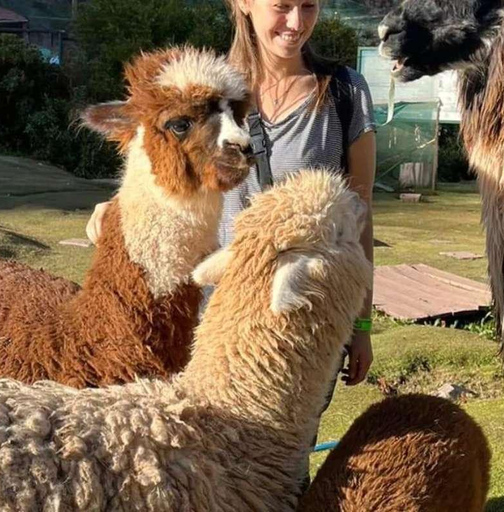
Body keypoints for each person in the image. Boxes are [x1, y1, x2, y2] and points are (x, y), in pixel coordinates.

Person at [86, 0, 376, 438]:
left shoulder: (343, 92)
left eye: (309, 6)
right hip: (212, 316)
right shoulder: (203, 90)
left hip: (301, 315)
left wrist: (362, 323)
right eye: (282, 6)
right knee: (204, 454)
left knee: (284, 459)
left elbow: (360, 213)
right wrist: (118, 206)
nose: (296, 23)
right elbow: (163, 164)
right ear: (244, 4)